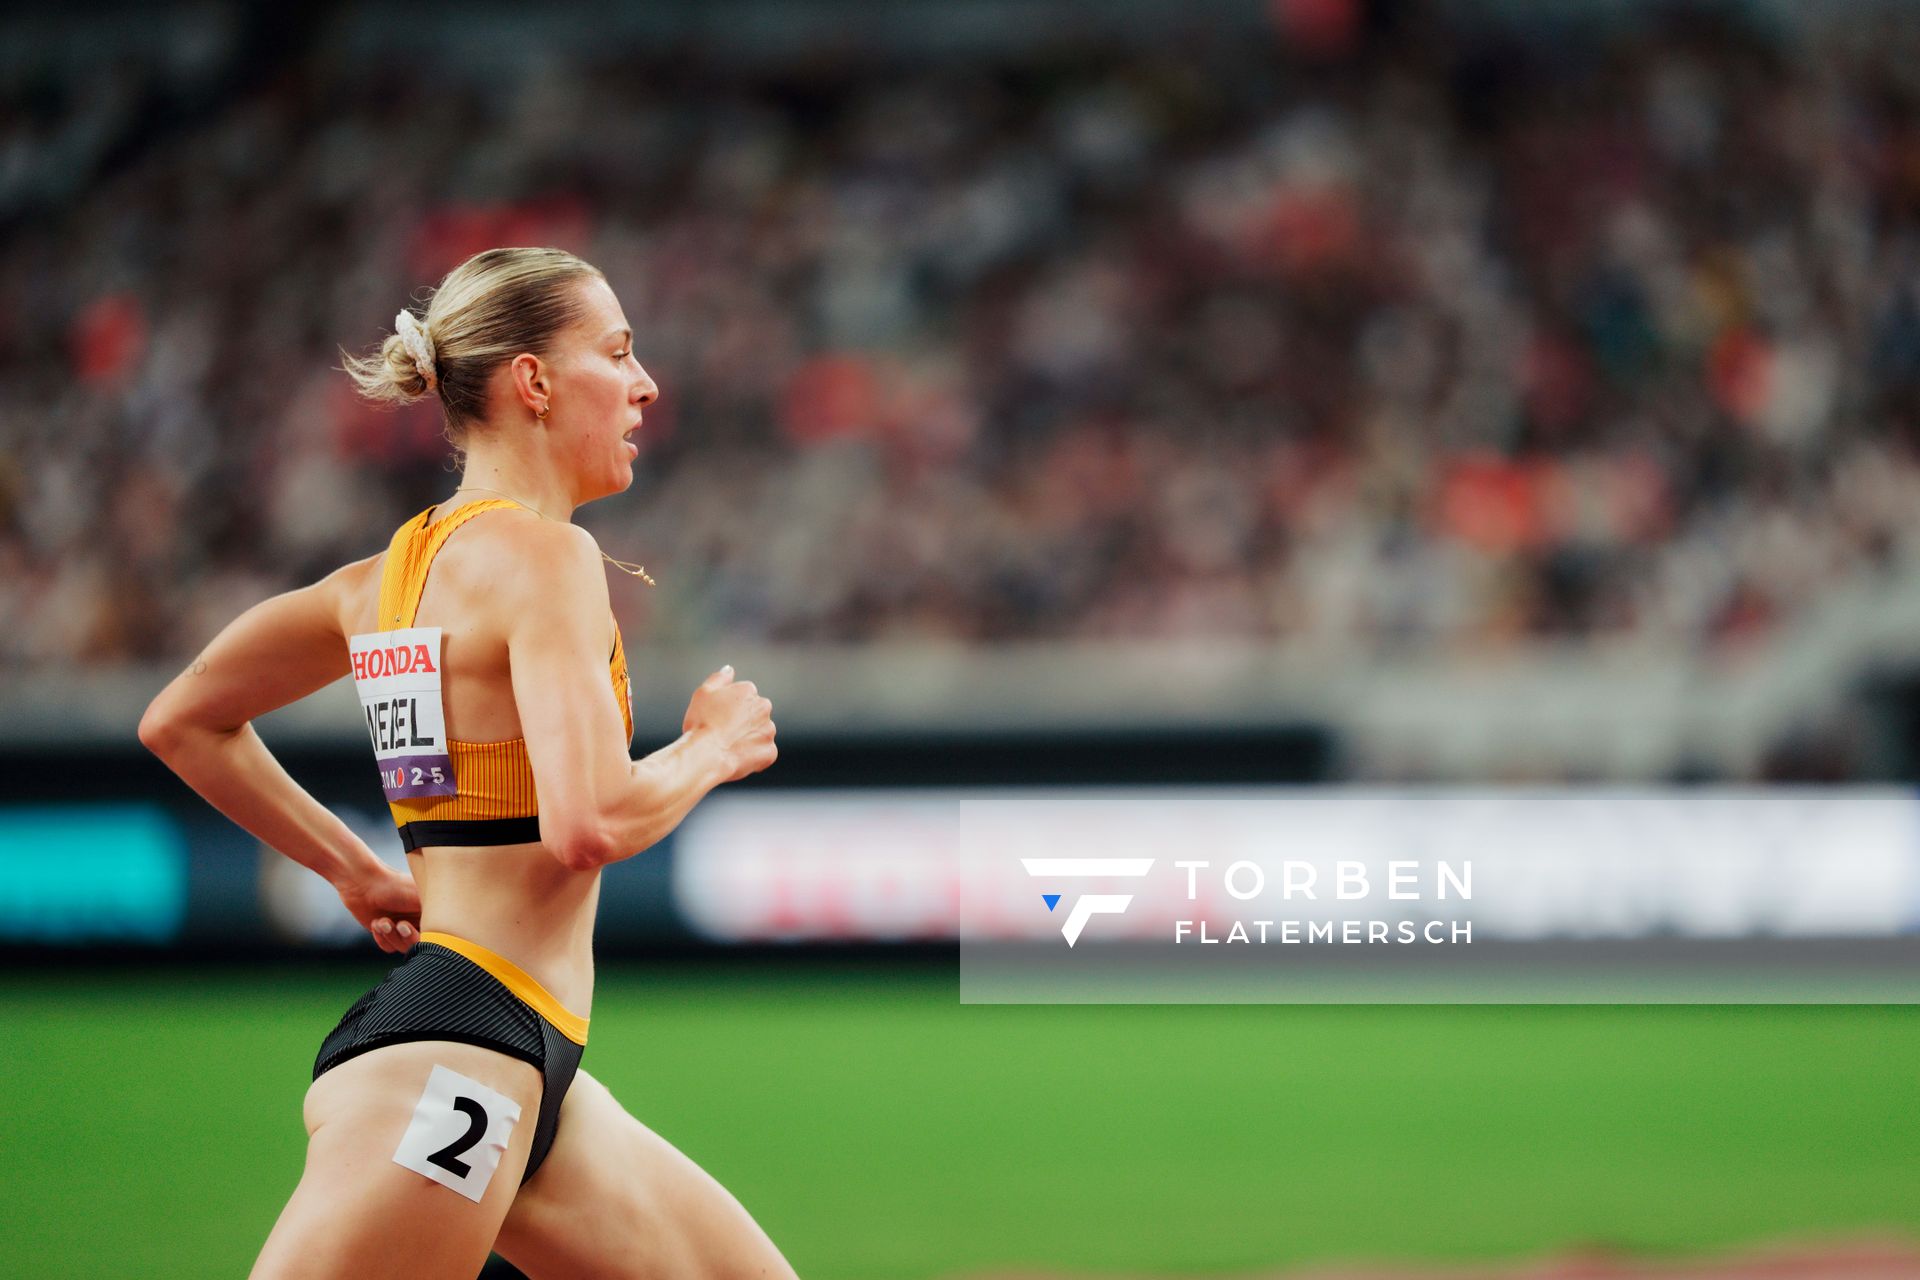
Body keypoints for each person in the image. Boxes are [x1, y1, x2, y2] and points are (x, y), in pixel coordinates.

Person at [137, 246, 795, 1278]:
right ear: (533, 381)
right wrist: (709, 748)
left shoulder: (379, 584)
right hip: (458, 1064)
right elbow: (590, 825)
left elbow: (182, 720)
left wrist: (353, 870)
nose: (645, 381)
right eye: (617, 351)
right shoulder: (545, 556)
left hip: (524, 1069)